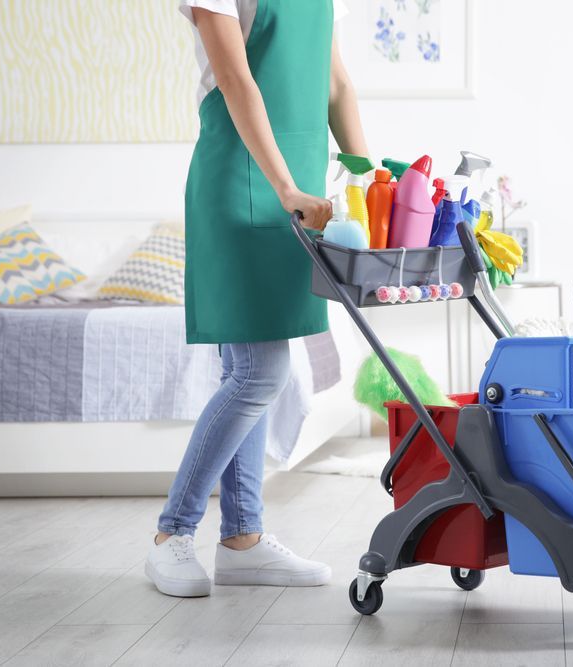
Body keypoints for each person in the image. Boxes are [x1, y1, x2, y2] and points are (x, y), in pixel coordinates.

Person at [146, 0, 368, 598]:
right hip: (243, 175)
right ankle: (173, 533)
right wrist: (285, 185)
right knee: (259, 373)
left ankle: (242, 539)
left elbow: (337, 82)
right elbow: (236, 78)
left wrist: (367, 174)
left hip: (298, 186)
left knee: (253, 367)